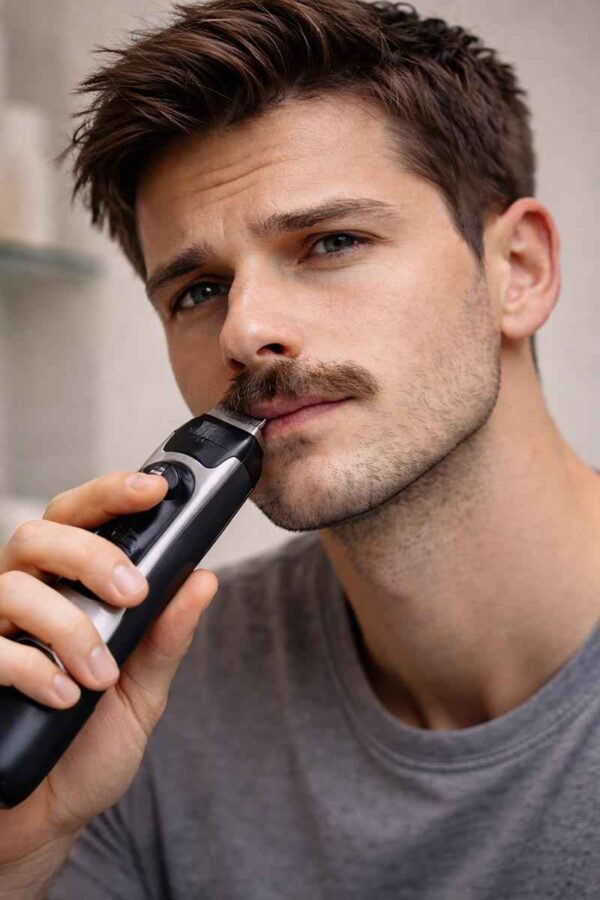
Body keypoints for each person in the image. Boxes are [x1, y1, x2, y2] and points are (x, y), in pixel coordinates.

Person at [0, 0, 598, 896]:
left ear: (518, 271)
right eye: (198, 290)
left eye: (331, 242)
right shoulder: (136, 695)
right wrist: (20, 855)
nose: (246, 332)